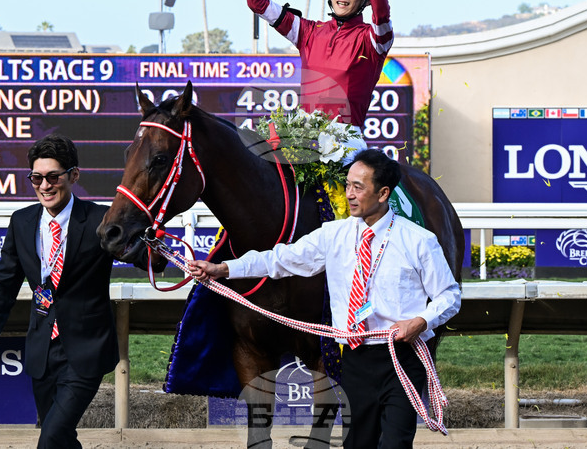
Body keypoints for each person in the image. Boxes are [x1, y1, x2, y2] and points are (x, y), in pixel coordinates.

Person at [189, 149, 460, 448]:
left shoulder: (419, 240)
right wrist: (223, 268)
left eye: (359, 187)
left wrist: (420, 321)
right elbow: (280, 260)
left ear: (383, 193)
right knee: (358, 444)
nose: (350, 195)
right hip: (356, 360)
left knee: (395, 444)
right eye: (347, 185)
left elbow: (449, 296)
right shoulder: (333, 235)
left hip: (402, 359)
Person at [0, 134, 116, 449]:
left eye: (53, 177)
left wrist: (154, 245)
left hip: (87, 347)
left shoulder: (100, 219)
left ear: (73, 175)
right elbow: (4, 284)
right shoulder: (22, 221)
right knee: (62, 439)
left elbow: (140, 253)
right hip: (43, 348)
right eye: (36, 178)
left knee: (50, 438)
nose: (45, 185)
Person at [240, 0, 393, 132]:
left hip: (348, 145)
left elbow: (382, 14)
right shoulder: (308, 32)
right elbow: (258, 4)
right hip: (303, 141)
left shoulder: (373, 40)